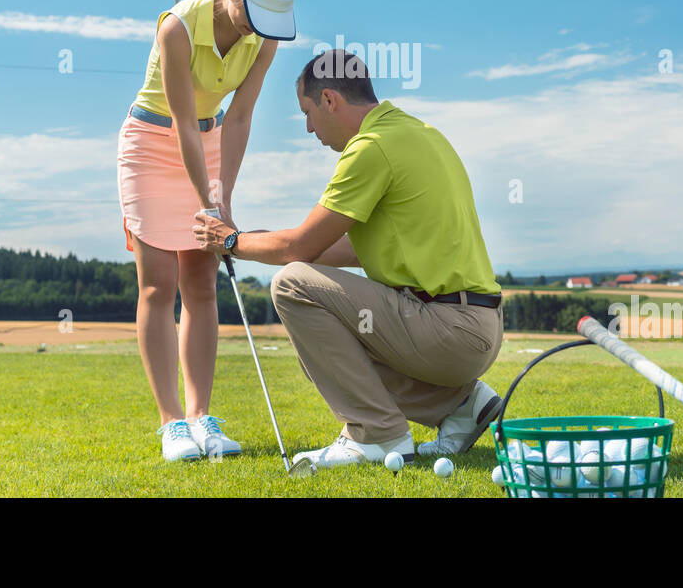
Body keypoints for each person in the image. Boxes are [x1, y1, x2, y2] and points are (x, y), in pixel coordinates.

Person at [193, 50, 503, 469]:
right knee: (323, 332)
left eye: (307, 112)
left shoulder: (371, 148)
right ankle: (461, 406)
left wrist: (230, 241)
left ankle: (377, 435)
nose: (307, 127)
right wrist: (250, 240)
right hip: (474, 327)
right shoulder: (419, 133)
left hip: (448, 330)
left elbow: (299, 251)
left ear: (330, 100)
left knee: (291, 285)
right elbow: (335, 250)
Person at [118, 0, 296, 462]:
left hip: (211, 139)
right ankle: (171, 423)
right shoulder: (176, 27)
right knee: (158, 284)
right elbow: (179, 123)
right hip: (153, 143)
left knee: (200, 283)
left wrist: (223, 201)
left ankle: (201, 416)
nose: (253, 31)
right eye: (250, 16)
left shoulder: (264, 38)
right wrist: (205, 201)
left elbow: (238, 119)